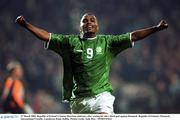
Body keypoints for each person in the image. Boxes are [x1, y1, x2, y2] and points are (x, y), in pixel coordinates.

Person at [15, 12, 168, 114]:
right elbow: (47, 36)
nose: (89, 22)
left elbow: (133, 36)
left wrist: (156, 28)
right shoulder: (70, 42)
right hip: (79, 101)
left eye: (92, 20)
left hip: (101, 97)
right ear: (80, 26)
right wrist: (26, 25)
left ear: (97, 26)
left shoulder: (107, 42)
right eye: (85, 20)